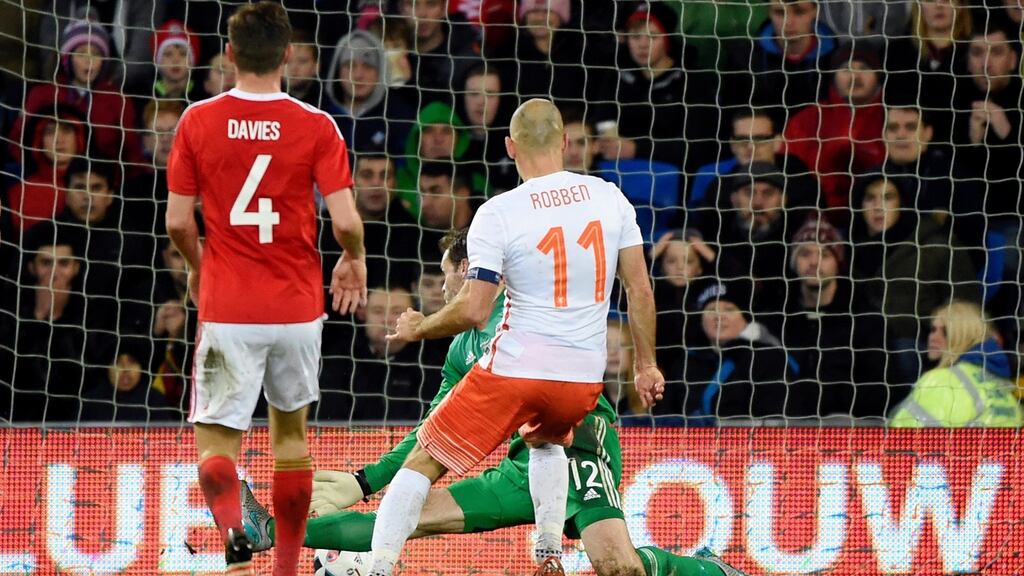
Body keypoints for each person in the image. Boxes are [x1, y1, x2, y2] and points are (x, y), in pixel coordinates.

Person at [240, 229, 747, 576]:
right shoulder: (461, 347)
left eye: (445, 276)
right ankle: (270, 531)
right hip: (519, 468)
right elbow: (433, 429)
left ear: (469, 269)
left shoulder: (529, 309)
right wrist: (364, 481)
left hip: (579, 449)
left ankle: (703, 569)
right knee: (404, 515)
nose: (441, 289)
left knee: (618, 566)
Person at [371, 99, 664, 576]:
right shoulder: (609, 196)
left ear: (510, 147)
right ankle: (549, 553)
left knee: (422, 461)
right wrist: (646, 364)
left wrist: (419, 326)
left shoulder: (499, 212)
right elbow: (640, 287)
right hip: (582, 384)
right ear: (566, 142)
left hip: (518, 370)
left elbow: (475, 308)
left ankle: (376, 566)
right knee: (547, 438)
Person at [163, 3, 367, 572]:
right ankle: (286, 567)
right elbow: (347, 220)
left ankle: (234, 529)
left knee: (216, 447)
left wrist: (202, 267)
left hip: (229, 307)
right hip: (298, 309)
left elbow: (178, 221)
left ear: (228, 54)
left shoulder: (197, 122)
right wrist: (354, 260)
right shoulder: (316, 124)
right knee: (291, 442)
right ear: (286, 56)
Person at [890, 301, 1024, 427]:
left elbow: (902, 436)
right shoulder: (1003, 390)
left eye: (945, 332)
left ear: (964, 335)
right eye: (933, 329)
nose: (933, 337)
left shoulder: (941, 380)